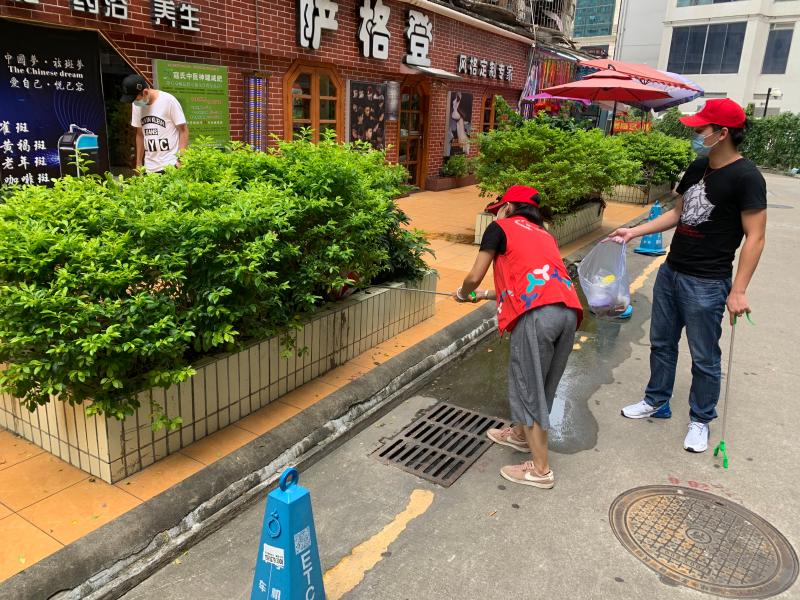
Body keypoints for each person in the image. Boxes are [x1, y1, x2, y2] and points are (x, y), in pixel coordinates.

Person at [610, 98, 767, 453]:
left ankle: (700, 419)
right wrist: (633, 231)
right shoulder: (698, 166)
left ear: (722, 133)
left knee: (704, 357)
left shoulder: (747, 177)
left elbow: (756, 237)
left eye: (701, 129)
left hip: (707, 282)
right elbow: (677, 214)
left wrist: (738, 290)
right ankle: (657, 401)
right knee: (662, 343)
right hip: (671, 272)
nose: (696, 135)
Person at [453, 185, 583, 489]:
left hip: (538, 316)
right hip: (567, 311)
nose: (497, 213)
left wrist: (463, 292)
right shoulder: (544, 234)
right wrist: (485, 295)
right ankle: (521, 436)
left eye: (499, 207)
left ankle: (540, 471)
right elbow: (531, 279)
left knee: (528, 385)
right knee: (545, 383)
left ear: (509, 206)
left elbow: (474, 276)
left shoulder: (500, 228)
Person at [120, 73, 189, 173]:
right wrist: (138, 163)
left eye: (136, 99)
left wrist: (180, 160)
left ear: (145, 92)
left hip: (170, 165)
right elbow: (140, 134)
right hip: (149, 168)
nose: (135, 102)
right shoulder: (136, 106)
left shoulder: (168, 101)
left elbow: (183, 131)